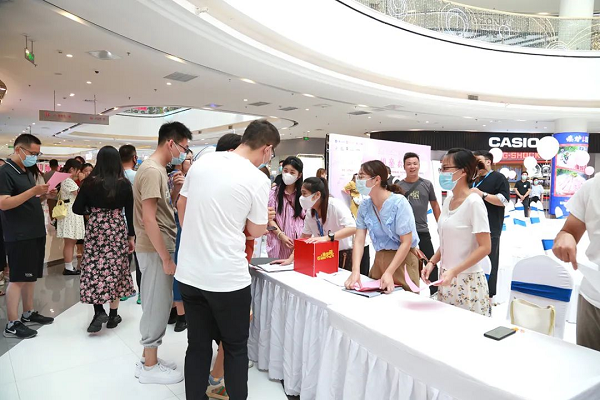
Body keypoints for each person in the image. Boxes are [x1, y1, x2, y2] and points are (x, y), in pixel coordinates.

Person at [176, 119, 279, 399]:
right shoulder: (258, 178)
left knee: (197, 346)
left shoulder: (203, 162)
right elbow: (255, 230)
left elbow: (182, 203)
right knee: (235, 348)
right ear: (267, 149)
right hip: (227, 279)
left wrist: (197, 234)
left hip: (190, 273)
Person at [133, 121, 192, 384]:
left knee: (157, 301)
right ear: (171, 143)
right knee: (156, 305)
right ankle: (149, 367)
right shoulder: (152, 171)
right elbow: (148, 218)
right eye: (183, 148)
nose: (184, 153)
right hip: (155, 248)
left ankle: (149, 358)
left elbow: (159, 211)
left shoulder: (156, 170)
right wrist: (166, 258)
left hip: (158, 246)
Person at [73, 146, 135, 333]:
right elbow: (130, 212)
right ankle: (113, 315)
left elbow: (77, 208)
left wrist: (92, 211)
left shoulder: (89, 183)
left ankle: (99, 310)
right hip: (116, 228)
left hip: (96, 228)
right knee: (116, 269)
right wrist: (131, 236)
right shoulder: (124, 183)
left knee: (94, 268)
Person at [422, 149, 492, 316]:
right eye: (441, 168)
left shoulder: (474, 203)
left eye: (446, 168)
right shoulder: (448, 201)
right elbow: (447, 241)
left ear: (463, 171)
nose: (442, 173)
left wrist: (455, 271)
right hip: (446, 279)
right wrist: (432, 262)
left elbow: (485, 247)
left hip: (467, 282)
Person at [0, 134, 55, 339]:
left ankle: (28, 312)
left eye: (37, 154)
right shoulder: (5, 172)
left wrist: (43, 196)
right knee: (18, 278)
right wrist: (33, 192)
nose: (35, 157)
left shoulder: (25, 171)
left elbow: (25, 199)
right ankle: (12, 323)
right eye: (32, 153)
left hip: (34, 231)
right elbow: (4, 203)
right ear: (18, 150)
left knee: (30, 276)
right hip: (19, 234)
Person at [344, 160, 420, 293]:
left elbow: (406, 242)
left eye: (361, 176)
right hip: (379, 260)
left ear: (377, 180)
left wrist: (389, 272)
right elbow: (359, 240)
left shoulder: (399, 203)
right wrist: (355, 270)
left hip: (403, 261)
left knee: (403, 300)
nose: (358, 181)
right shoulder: (365, 206)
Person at [552, 175, 600, 352]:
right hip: (594, 299)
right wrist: (565, 238)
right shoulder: (593, 186)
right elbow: (569, 231)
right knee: (587, 364)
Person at [275, 177, 360, 269]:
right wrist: (290, 259)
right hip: (326, 253)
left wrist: (326, 238)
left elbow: (353, 228)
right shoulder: (310, 212)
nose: (301, 197)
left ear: (317, 195)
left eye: (304, 193)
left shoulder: (335, 206)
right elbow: (304, 237)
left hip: (344, 253)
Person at [399, 152, 441, 295]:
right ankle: (406, 290)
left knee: (430, 261)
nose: (412, 166)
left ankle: (435, 290)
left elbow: (435, 205)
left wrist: (441, 224)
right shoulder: (398, 186)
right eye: (409, 164)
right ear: (404, 166)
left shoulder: (427, 184)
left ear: (419, 165)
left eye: (415, 163)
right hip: (404, 232)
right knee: (405, 262)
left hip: (422, 230)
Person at [471, 150, 510, 300]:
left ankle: (488, 294)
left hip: (491, 226)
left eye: (479, 162)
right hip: (472, 226)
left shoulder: (498, 178)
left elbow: (504, 200)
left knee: (490, 260)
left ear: (488, 162)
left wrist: (483, 195)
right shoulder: (473, 178)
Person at [167, 151, 193, 333]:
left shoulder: (189, 178)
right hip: (180, 227)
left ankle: (176, 311)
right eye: (188, 159)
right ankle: (180, 314)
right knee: (179, 268)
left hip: (182, 227)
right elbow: (173, 204)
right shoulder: (177, 178)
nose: (190, 162)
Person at [267, 156, 305, 260]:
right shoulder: (274, 193)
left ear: (299, 175)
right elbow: (270, 219)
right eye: (285, 171)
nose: (288, 174)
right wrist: (281, 235)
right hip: (278, 243)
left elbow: (308, 219)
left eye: (292, 172)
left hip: (298, 244)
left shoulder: (303, 195)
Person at [120, 144, 141, 304]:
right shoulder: (138, 176)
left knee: (123, 260)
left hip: (119, 223)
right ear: (135, 158)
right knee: (140, 260)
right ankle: (142, 293)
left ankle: (124, 291)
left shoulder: (116, 177)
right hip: (138, 221)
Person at [56, 158, 85, 276]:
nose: (79, 173)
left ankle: (69, 266)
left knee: (71, 242)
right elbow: (80, 194)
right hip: (70, 213)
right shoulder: (68, 180)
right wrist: (82, 181)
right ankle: (68, 267)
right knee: (70, 242)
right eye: (78, 170)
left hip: (70, 211)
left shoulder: (66, 180)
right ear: (72, 169)